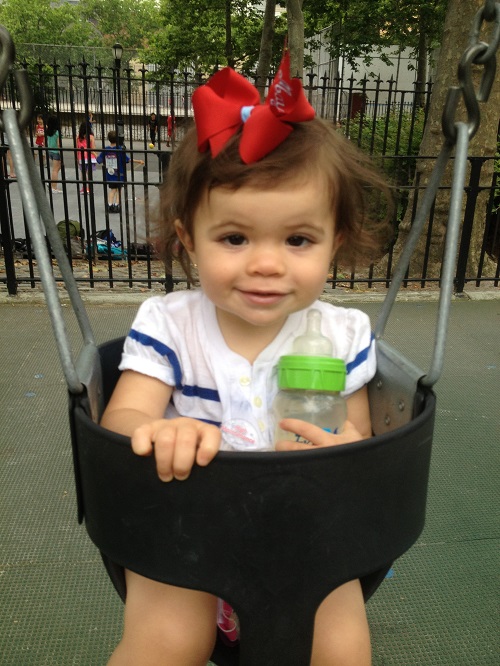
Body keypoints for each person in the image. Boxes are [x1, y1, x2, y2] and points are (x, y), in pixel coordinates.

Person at [101, 51, 391, 666]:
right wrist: (158, 429)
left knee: (341, 652)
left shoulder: (343, 332)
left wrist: (341, 451)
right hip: (186, 530)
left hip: (306, 534)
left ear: (334, 242)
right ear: (188, 239)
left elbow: (359, 434)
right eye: (234, 238)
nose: (265, 263)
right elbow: (121, 418)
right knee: (166, 644)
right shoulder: (171, 325)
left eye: (298, 239)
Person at [96, 130, 144, 213]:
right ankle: (117, 205)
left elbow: (99, 160)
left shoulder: (106, 149)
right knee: (119, 189)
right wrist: (138, 161)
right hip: (119, 174)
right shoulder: (120, 149)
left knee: (112, 190)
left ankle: (110, 205)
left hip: (110, 173)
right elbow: (127, 159)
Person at [76, 121, 96, 194]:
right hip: (90, 157)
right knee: (89, 174)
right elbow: (93, 148)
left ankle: (84, 188)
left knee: (83, 173)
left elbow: (77, 148)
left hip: (82, 157)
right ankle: (90, 188)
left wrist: (77, 158)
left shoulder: (78, 137)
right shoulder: (91, 137)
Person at [46, 115, 62, 193]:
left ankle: (52, 182)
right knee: (55, 170)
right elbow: (59, 144)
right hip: (56, 152)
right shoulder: (57, 132)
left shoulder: (48, 131)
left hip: (50, 151)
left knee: (59, 167)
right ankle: (54, 187)